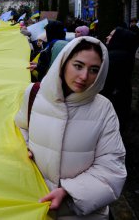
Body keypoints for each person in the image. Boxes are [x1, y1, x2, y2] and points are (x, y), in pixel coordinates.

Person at [15, 36, 126, 219]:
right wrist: (23, 148)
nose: (84, 76)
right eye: (78, 65)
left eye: (94, 70)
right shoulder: (33, 93)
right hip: (33, 207)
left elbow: (112, 167)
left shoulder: (104, 109)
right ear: (64, 62)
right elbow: (19, 130)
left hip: (82, 214)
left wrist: (69, 191)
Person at [101, 27, 138, 132]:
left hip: (113, 100)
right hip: (121, 97)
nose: (107, 37)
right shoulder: (124, 54)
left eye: (111, 35)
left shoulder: (115, 56)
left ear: (119, 39)